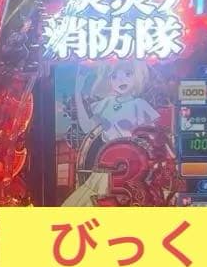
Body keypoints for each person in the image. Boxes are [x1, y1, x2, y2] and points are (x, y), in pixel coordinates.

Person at [63, 60, 158, 206]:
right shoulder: (106, 103)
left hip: (134, 168)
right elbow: (87, 127)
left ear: (138, 76)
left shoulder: (140, 105)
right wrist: (77, 92)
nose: (121, 80)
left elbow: (155, 138)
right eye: (114, 76)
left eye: (128, 74)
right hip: (106, 167)